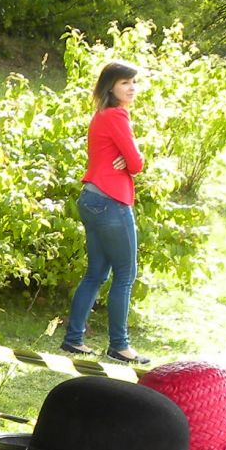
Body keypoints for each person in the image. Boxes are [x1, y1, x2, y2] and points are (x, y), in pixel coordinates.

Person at [61, 60, 149, 365]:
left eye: (134, 82)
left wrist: (128, 157)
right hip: (111, 201)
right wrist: (131, 157)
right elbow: (136, 164)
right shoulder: (117, 116)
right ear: (110, 86)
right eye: (125, 82)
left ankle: (73, 339)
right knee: (125, 275)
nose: (132, 88)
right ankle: (119, 346)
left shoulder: (101, 115)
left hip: (91, 198)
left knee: (96, 274)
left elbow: (128, 160)